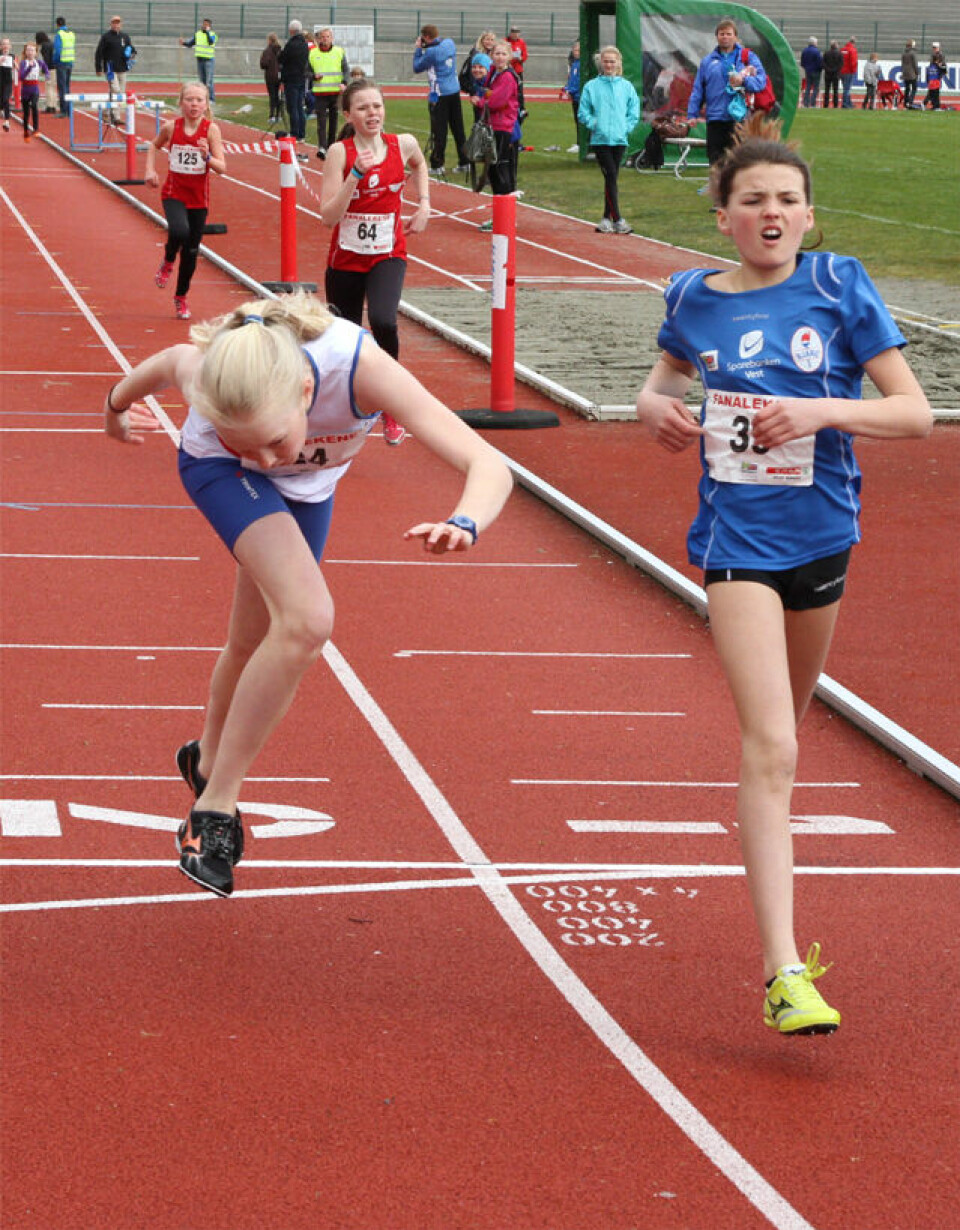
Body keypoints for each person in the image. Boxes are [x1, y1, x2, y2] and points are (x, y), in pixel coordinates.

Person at [634, 114, 932, 1036]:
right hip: (736, 548)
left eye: (788, 201)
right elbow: (662, 384)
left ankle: (770, 857)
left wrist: (819, 414)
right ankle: (782, 971)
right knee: (771, 746)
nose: (772, 212)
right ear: (722, 214)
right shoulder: (692, 296)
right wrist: (654, 408)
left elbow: (914, 414)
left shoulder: (840, 286)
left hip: (823, 543)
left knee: (785, 742)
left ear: (809, 216)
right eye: (754, 200)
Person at [102, 293, 513, 897]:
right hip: (220, 474)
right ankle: (213, 812)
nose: (266, 457)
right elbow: (170, 360)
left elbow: (488, 463)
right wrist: (116, 406)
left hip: (312, 486)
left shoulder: (359, 368)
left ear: (302, 393)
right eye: (248, 441)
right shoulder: (215, 375)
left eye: (273, 439)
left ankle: (207, 758)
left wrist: (467, 521)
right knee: (306, 619)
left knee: (255, 640)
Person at [321, 79, 430, 447]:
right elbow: (327, 216)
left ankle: (390, 407)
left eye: (377, 106)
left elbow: (419, 162)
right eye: (364, 108)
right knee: (343, 339)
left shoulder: (404, 144)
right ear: (348, 115)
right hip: (346, 260)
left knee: (384, 320)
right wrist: (355, 176)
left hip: (388, 253)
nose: (372, 114)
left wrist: (425, 203)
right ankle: (344, 408)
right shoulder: (340, 151)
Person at [145, 82, 225, 321]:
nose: (194, 104)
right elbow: (153, 145)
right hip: (173, 193)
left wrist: (207, 156)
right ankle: (168, 260)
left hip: (199, 199)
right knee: (179, 231)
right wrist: (150, 171)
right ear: (180, 103)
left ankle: (181, 297)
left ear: (206, 104)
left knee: (191, 252)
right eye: (190, 99)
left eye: (199, 100)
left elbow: (222, 168)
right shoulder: (171, 127)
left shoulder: (212, 130)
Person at [577, 45, 639, 234]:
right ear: (600, 63)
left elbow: (633, 111)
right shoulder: (591, 87)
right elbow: (583, 112)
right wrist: (594, 123)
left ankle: (606, 218)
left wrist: (626, 127)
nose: (609, 65)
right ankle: (618, 219)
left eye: (612, 61)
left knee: (611, 178)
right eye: (606, 61)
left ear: (618, 63)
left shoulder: (626, 87)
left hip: (620, 140)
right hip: (600, 140)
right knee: (611, 175)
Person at [687, 17, 766, 165]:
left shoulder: (748, 57)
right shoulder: (707, 61)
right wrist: (692, 114)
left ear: (735, 37)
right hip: (715, 119)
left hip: (739, 119)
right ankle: (716, 187)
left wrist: (744, 80)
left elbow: (761, 83)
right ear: (716, 37)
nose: (725, 37)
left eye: (729, 34)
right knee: (716, 163)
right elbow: (698, 90)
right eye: (722, 34)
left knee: (738, 164)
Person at [469, 41, 521, 226]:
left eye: (503, 54)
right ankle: (502, 215)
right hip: (493, 124)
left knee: (499, 169)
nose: (499, 57)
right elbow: (488, 93)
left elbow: (498, 100)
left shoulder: (507, 77)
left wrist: (481, 102)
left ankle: (505, 217)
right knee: (493, 169)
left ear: (509, 57)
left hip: (502, 127)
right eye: (497, 53)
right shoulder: (493, 73)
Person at [413, 24, 467, 175]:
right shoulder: (449, 43)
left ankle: (437, 164)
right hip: (454, 90)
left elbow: (417, 67)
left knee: (439, 130)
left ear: (427, 37)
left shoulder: (431, 52)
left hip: (439, 93)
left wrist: (419, 49)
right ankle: (465, 161)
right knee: (458, 129)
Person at [308, 26, 349, 159]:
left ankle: (331, 146)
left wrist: (344, 82)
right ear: (318, 39)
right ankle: (322, 147)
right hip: (320, 93)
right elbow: (305, 72)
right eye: (322, 37)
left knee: (333, 121)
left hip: (336, 93)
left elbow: (346, 69)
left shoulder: (339, 52)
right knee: (321, 122)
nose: (325, 40)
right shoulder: (313, 53)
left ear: (331, 38)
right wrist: (314, 76)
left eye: (327, 37)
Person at [94, 14, 136, 122]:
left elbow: (131, 49)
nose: (116, 25)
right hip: (110, 68)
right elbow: (99, 53)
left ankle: (113, 115)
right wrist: (98, 68)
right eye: (114, 23)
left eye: (118, 23)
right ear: (111, 24)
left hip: (123, 68)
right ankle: (111, 113)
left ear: (121, 24)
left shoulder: (125, 36)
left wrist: (132, 54)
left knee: (119, 94)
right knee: (116, 90)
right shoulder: (106, 37)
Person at [278, 20, 310, 144]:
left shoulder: (291, 44)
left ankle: (295, 133)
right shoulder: (304, 44)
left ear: (291, 31)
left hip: (291, 78)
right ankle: (301, 134)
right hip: (302, 78)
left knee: (293, 108)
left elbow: (282, 58)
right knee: (300, 107)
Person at [180, 18, 217, 104]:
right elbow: (190, 44)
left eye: (206, 24)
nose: (204, 25)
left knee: (209, 82)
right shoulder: (198, 34)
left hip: (208, 60)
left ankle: (211, 99)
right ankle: (203, 98)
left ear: (209, 26)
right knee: (202, 82)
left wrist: (207, 32)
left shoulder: (213, 34)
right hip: (200, 59)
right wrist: (183, 43)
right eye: (203, 24)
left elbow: (211, 42)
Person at [18, 42, 48, 140]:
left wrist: (47, 75)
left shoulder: (39, 62)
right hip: (25, 90)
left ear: (36, 52)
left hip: (35, 89)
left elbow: (45, 68)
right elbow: (21, 77)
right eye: (28, 50)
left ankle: (35, 129)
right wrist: (29, 68)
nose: (30, 52)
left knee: (34, 106)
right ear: (25, 52)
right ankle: (26, 131)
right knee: (26, 113)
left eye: (32, 50)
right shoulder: (23, 63)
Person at [52, 15, 75, 117]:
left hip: (61, 63)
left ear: (57, 24)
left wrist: (54, 61)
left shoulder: (59, 34)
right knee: (67, 87)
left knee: (62, 88)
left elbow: (58, 50)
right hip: (70, 62)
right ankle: (69, 110)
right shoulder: (71, 34)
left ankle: (63, 110)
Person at [562, 40, 581, 151]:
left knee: (580, 120)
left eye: (578, 50)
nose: (575, 52)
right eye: (574, 50)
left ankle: (580, 143)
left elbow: (578, 81)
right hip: (574, 96)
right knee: (576, 119)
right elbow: (572, 79)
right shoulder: (574, 64)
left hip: (578, 96)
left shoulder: (580, 65)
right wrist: (567, 88)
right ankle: (578, 142)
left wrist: (571, 90)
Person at [260, 32, 282, 124]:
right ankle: (278, 115)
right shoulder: (280, 50)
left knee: (272, 95)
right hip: (279, 75)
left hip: (270, 75)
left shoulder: (267, 51)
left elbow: (264, 64)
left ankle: (272, 115)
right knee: (277, 94)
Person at [507, 25, 528, 116]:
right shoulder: (506, 42)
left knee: (519, 90)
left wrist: (521, 58)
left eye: (516, 32)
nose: (515, 34)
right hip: (508, 69)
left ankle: (521, 108)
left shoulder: (521, 42)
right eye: (513, 32)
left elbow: (525, 55)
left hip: (518, 70)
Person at [35, 30, 56, 113]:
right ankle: (53, 105)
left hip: (49, 68)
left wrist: (44, 69)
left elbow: (46, 59)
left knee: (49, 87)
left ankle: (49, 106)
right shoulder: (51, 43)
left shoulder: (44, 45)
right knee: (53, 87)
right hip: (55, 67)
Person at [799, 37, 822, 109]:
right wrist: (819, 69)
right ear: (814, 43)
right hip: (816, 71)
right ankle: (812, 104)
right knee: (815, 88)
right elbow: (820, 62)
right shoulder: (817, 51)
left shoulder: (804, 51)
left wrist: (806, 68)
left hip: (807, 71)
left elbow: (802, 62)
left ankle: (805, 103)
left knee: (808, 87)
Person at [0, 38, 16, 132]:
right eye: (3, 44)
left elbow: (16, 68)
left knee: (6, 99)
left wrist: (15, 66)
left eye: (7, 44)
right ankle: (1, 110)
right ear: (1, 46)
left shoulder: (12, 56)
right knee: (1, 100)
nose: (5, 46)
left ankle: (7, 121)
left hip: (8, 82)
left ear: (10, 46)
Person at [924, 43, 947, 110]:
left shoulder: (940, 55)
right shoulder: (934, 55)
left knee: (934, 91)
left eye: (935, 47)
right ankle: (934, 105)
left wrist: (941, 70)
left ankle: (931, 104)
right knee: (933, 90)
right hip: (934, 74)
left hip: (936, 74)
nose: (933, 49)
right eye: (933, 47)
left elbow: (942, 65)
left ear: (938, 48)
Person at [822, 40, 842, 108]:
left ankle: (826, 104)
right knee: (835, 90)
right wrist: (834, 70)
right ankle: (835, 104)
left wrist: (828, 69)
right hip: (835, 74)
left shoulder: (826, 53)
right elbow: (841, 64)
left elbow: (823, 63)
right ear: (836, 45)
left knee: (827, 90)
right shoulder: (839, 54)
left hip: (827, 74)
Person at [900, 39, 919, 109]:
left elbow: (902, 64)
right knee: (914, 88)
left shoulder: (904, 53)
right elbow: (915, 64)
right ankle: (910, 102)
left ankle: (905, 103)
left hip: (905, 73)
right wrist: (917, 73)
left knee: (907, 89)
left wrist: (903, 72)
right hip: (912, 73)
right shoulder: (913, 53)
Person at [840, 37, 857, 109]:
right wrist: (853, 71)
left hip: (842, 71)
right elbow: (853, 62)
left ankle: (849, 103)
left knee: (845, 88)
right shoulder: (852, 50)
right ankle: (845, 104)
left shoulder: (842, 49)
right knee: (847, 89)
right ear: (854, 43)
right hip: (849, 72)